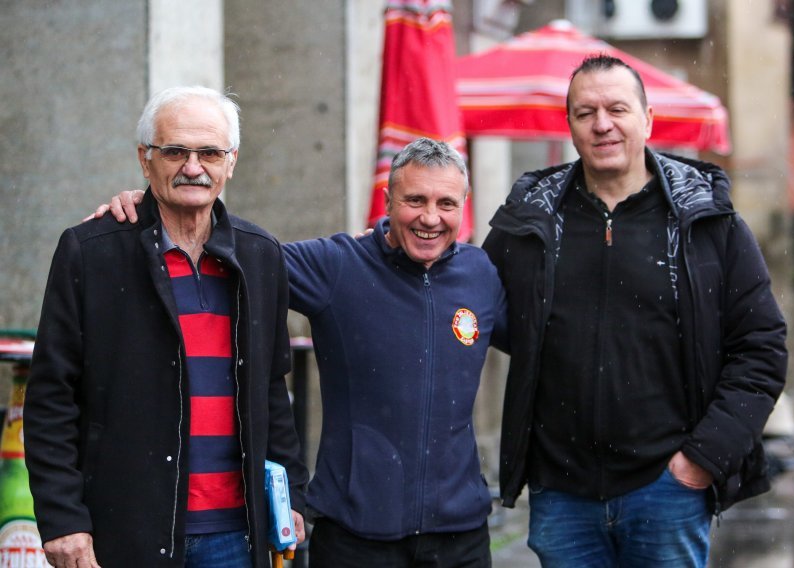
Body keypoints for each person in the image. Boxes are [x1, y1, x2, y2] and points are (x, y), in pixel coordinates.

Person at [96, 137, 508, 567]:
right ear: (387, 201)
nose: (429, 218)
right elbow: (233, 251)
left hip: (462, 535)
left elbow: (541, 337)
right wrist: (150, 211)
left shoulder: (480, 274)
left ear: (465, 205)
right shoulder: (338, 265)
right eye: (415, 200)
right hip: (355, 535)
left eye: (446, 203)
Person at [482, 54, 788, 567]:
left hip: (666, 489)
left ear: (647, 119)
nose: (602, 124)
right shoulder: (530, 222)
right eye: (585, 113)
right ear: (571, 126)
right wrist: (386, 254)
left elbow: (761, 348)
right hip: (561, 493)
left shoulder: (707, 222)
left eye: (617, 109)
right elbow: (463, 296)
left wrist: (702, 459)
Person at [24, 86, 308, 568]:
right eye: (175, 151)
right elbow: (51, 396)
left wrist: (292, 497)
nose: (192, 166)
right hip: (124, 530)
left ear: (231, 162)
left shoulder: (260, 255)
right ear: (145, 159)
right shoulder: (92, 252)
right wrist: (63, 518)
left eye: (209, 152)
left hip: (238, 536)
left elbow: (271, 393)